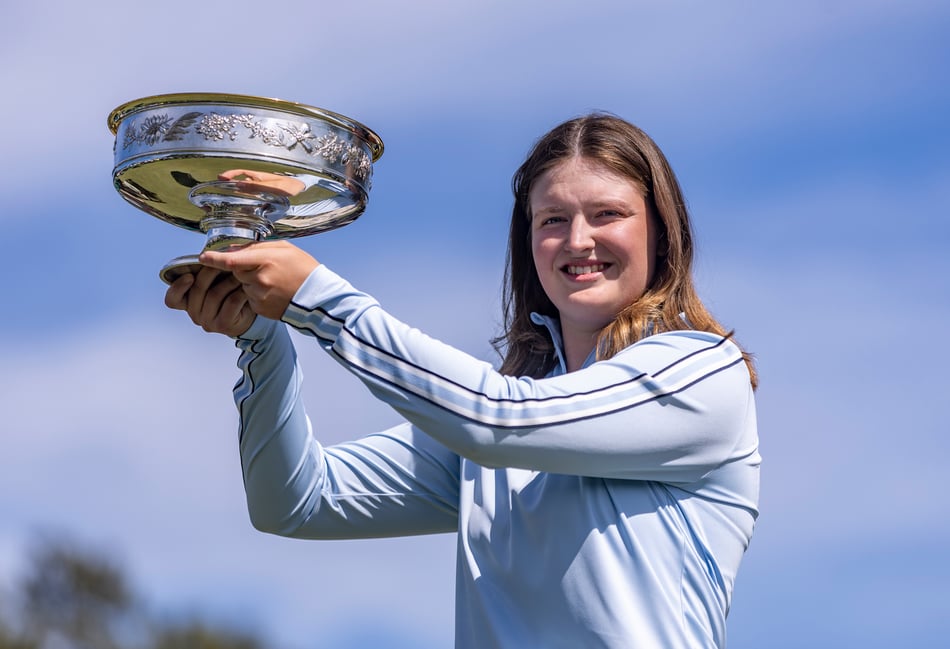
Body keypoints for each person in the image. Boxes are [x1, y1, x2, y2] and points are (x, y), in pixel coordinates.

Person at [165, 113, 760, 648]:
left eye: (608, 214)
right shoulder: (496, 431)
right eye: (553, 220)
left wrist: (318, 298)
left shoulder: (701, 372)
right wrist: (264, 338)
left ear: (661, 232)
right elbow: (296, 502)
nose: (578, 241)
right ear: (527, 243)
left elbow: (499, 420)